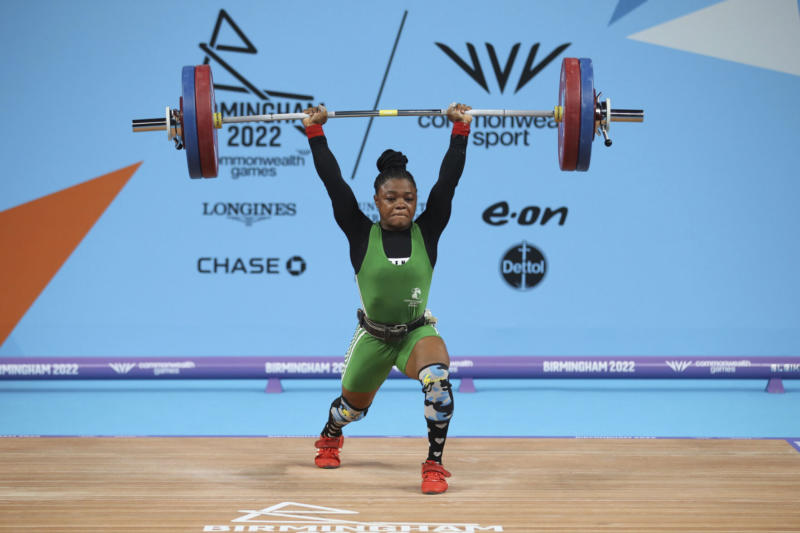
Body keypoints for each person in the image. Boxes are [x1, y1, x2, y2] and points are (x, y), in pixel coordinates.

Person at [302, 102, 472, 494]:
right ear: (376, 201)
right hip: (374, 338)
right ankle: (331, 433)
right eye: (391, 197)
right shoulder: (360, 232)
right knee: (351, 410)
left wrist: (460, 131)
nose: (401, 203)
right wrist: (315, 132)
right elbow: (334, 184)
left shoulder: (428, 231)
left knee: (438, 385)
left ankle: (433, 465)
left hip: (415, 334)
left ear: (416, 201)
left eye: (409, 198)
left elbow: (448, 182)